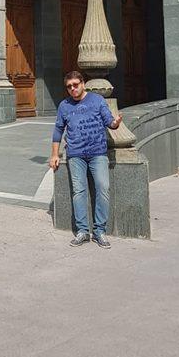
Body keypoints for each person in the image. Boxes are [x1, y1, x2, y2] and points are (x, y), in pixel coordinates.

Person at [49, 70, 123, 248]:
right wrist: (54, 154)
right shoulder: (64, 106)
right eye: (69, 87)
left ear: (83, 84)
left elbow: (109, 122)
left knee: (103, 188)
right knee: (79, 192)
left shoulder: (97, 100)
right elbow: (58, 130)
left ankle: (99, 231)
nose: (73, 89)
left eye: (76, 85)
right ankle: (83, 231)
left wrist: (116, 123)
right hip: (76, 155)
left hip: (98, 153)